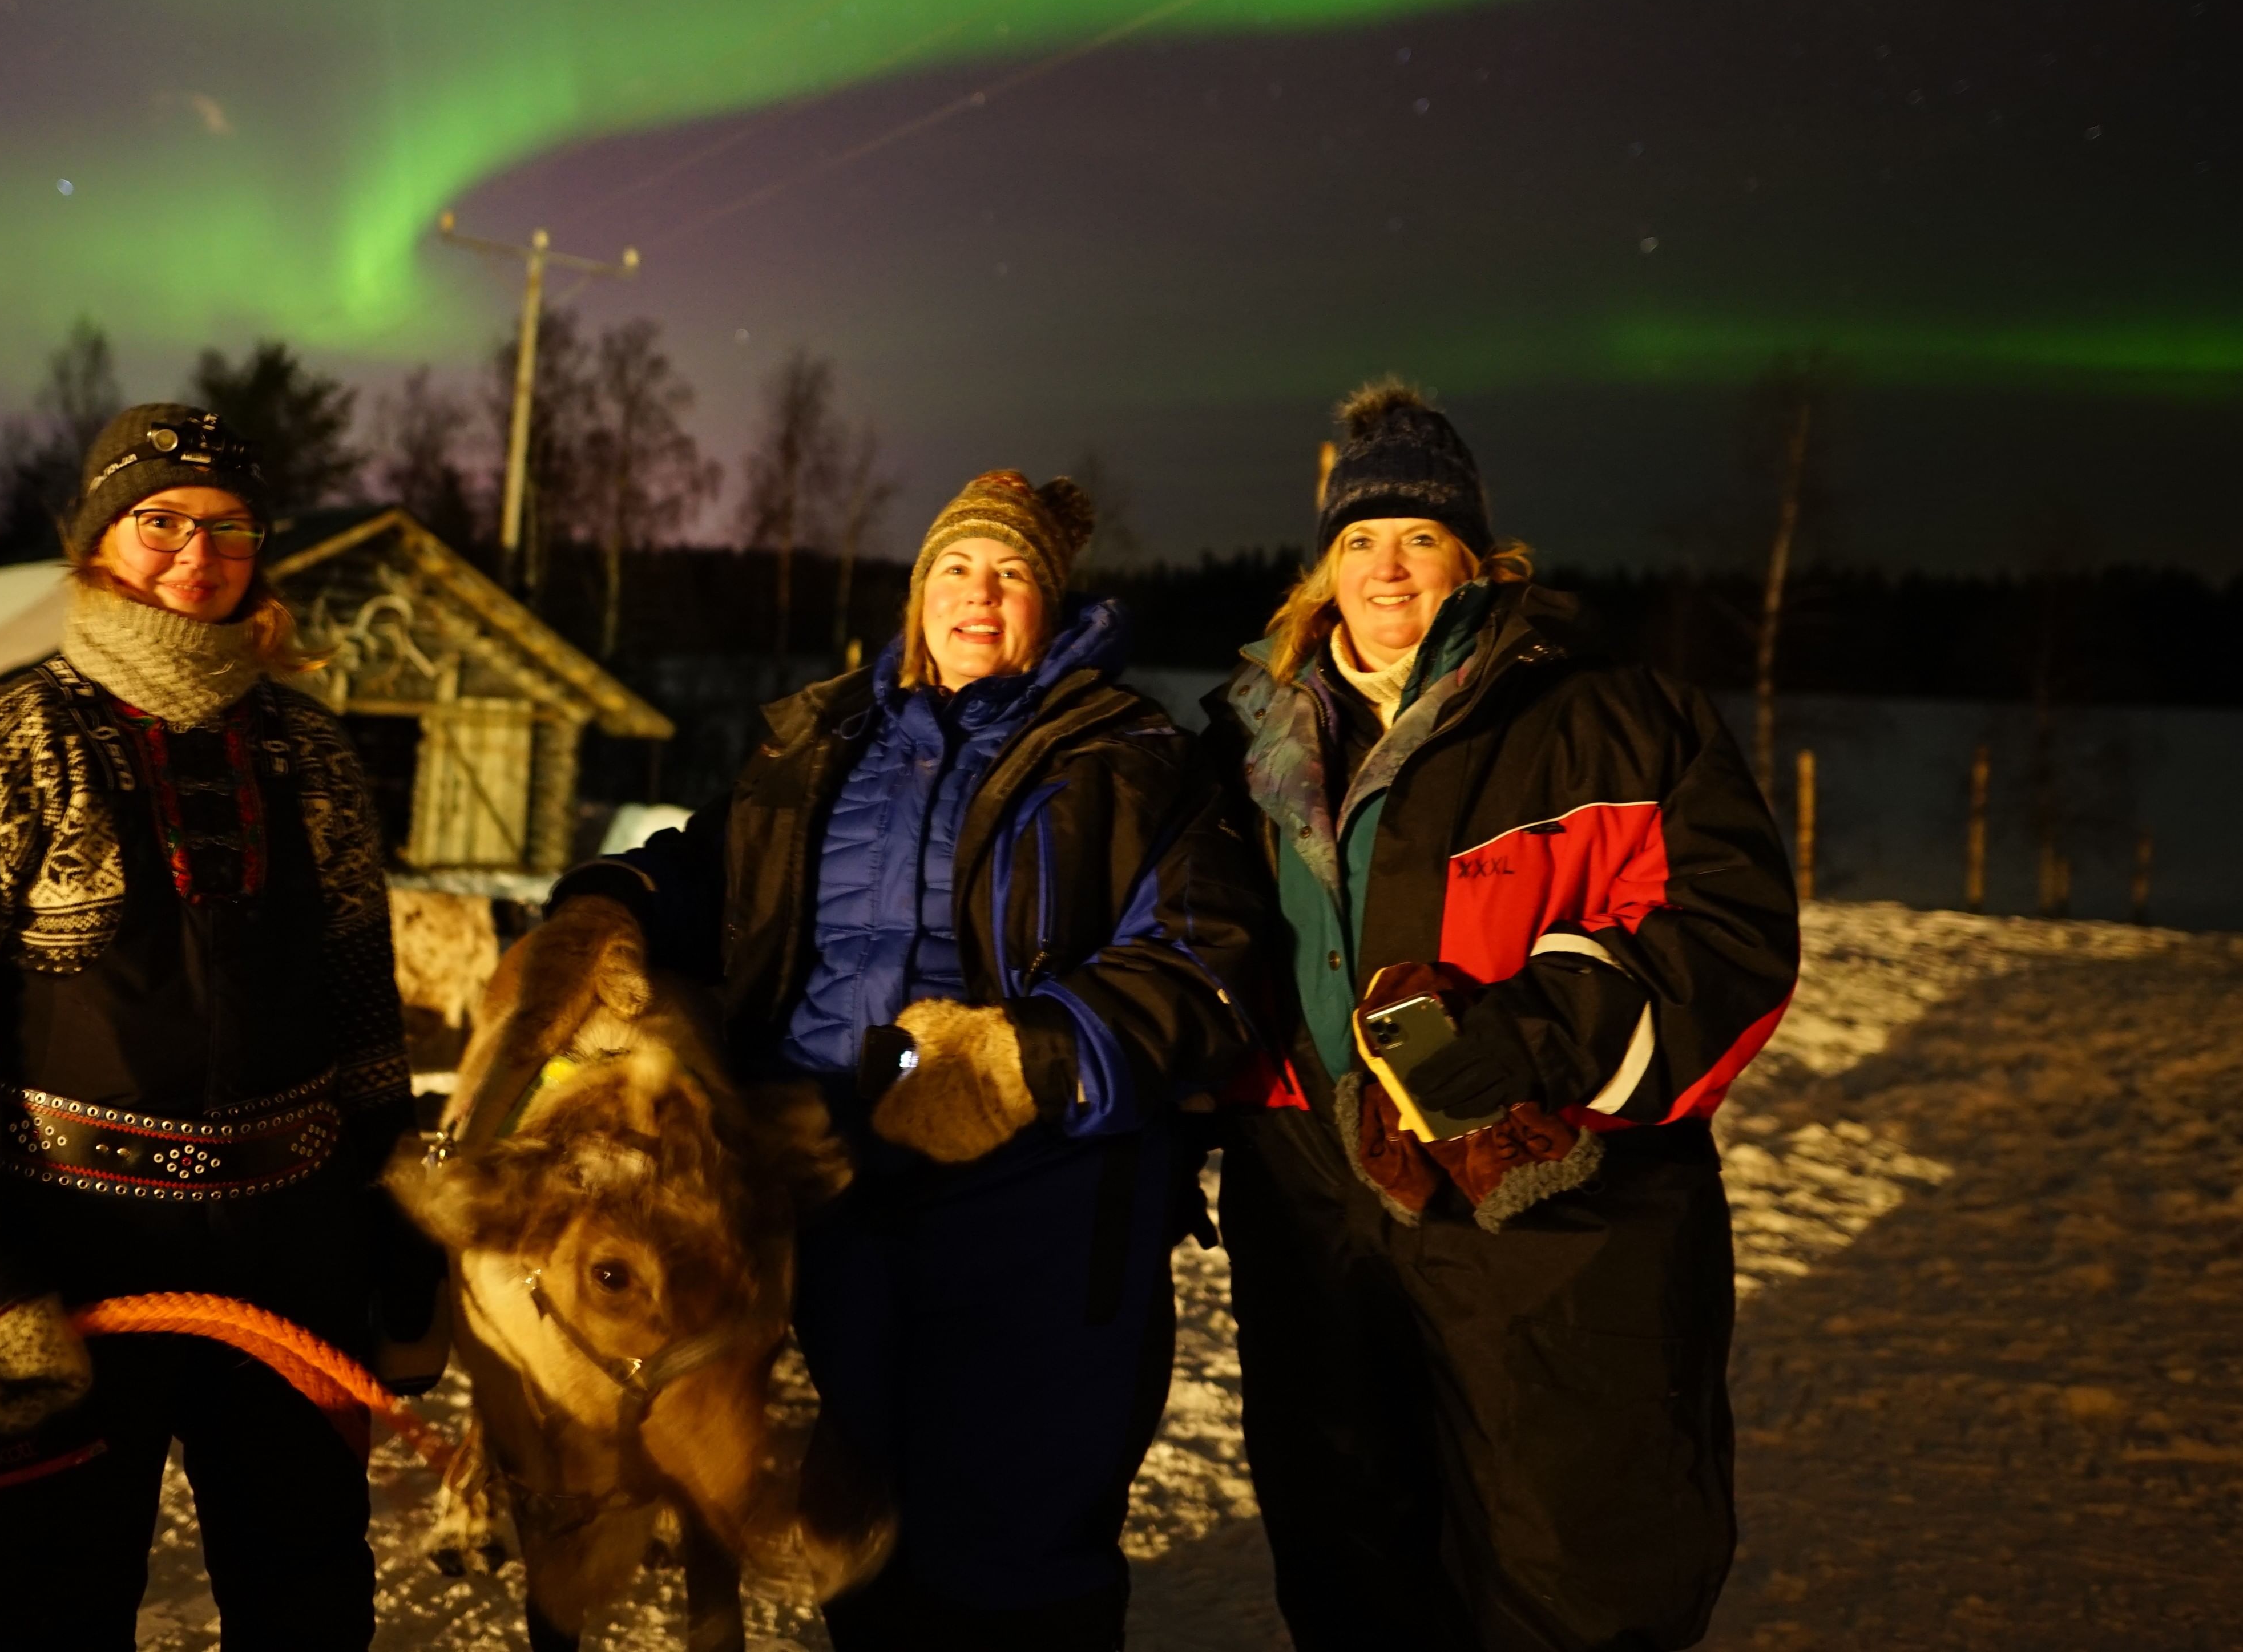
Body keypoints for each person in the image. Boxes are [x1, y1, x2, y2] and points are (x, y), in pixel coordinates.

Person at [540, 469, 1263, 1651]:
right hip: (824, 1195)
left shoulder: (1126, 757)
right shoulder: (816, 739)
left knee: (1015, 1542)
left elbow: (1208, 960)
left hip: (1039, 1203)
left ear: (1054, 603)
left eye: (1012, 574)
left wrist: (1028, 1056)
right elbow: (708, 874)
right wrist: (606, 911)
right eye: (956, 571)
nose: (980, 598)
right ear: (918, 592)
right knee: (859, 1523)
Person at [1204, 380, 1798, 1652]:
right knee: (1352, 1561)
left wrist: (1523, 1035)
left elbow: (1732, 940)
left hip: (1553, 1224)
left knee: (1569, 1569)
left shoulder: (1614, 720)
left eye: (1419, 537)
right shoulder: (1248, 739)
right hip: (1318, 1220)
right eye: (1357, 540)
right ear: (1321, 568)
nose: (1386, 568)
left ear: (1478, 558)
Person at [0, 405, 441, 1649]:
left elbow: (360, 1006)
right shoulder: (9, 749)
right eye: (159, 518)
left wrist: (393, 1214)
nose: (194, 551)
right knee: (42, 1611)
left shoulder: (313, 754)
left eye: (227, 526)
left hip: (295, 1255)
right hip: (68, 1258)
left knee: (310, 1602)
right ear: (98, 537)